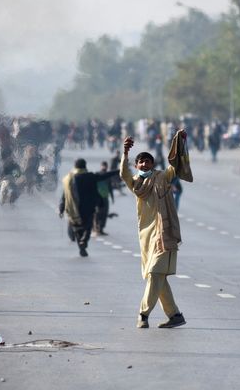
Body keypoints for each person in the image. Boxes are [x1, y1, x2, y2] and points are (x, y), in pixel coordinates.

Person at [120, 129, 192, 329]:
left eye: (148, 161)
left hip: (165, 234)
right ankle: (175, 315)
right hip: (147, 237)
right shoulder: (135, 183)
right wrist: (125, 152)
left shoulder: (162, 177)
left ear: (153, 164)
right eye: (141, 162)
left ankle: (143, 315)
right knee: (158, 278)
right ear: (137, 165)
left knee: (154, 274)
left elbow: (175, 165)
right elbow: (123, 173)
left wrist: (179, 141)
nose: (144, 164)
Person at [59, 158, 118, 257]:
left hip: (74, 209)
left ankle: (81, 244)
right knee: (88, 227)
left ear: (75, 166)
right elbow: (103, 176)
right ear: (85, 166)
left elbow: (65, 195)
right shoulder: (90, 176)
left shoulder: (68, 179)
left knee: (77, 228)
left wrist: (61, 208)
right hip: (88, 208)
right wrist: (118, 171)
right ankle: (84, 241)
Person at [93, 161, 114, 236]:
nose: (104, 167)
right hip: (98, 198)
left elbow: (110, 187)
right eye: (103, 166)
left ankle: (101, 228)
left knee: (104, 214)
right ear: (101, 166)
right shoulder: (97, 174)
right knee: (97, 213)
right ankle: (96, 228)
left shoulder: (108, 176)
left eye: (105, 166)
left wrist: (112, 197)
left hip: (105, 197)